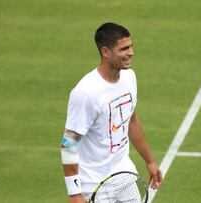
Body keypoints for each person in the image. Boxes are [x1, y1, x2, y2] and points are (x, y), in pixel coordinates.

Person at [61, 22, 162, 203]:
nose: (131, 52)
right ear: (106, 52)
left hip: (125, 177)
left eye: (131, 46)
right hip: (94, 185)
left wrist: (150, 161)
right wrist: (74, 194)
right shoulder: (86, 93)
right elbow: (69, 144)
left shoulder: (129, 77)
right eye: (123, 49)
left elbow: (131, 121)